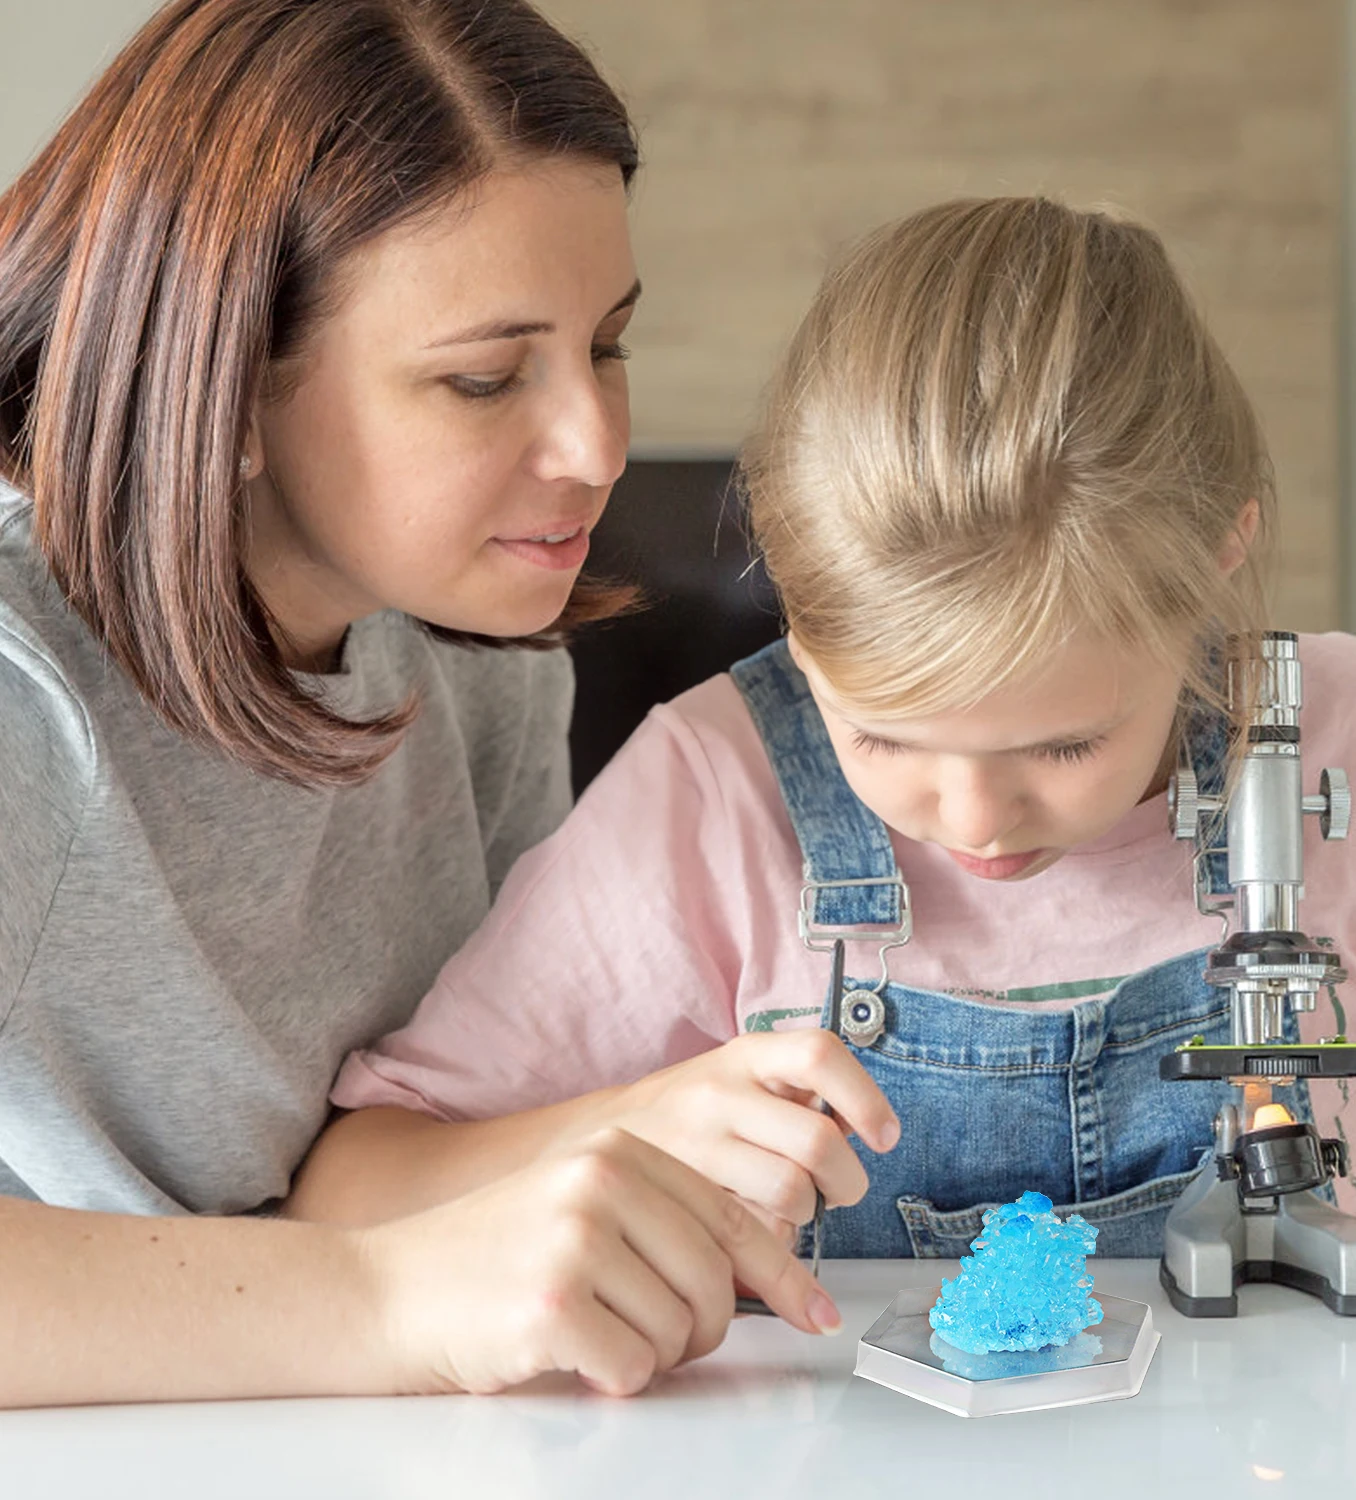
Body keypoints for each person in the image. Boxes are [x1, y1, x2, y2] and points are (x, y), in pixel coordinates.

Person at [296, 197, 1356, 1260]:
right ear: (791, 596)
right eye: (882, 737)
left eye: (1063, 744)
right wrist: (622, 1131)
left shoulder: (1350, 728)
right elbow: (354, 1192)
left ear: (1217, 557)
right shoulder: (713, 790)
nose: (973, 820)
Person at [0, 0, 848, 1409]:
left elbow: (428, 1139)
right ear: (233, 391)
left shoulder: (483, 671)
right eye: (484, 377)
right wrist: (394, 1299)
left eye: (611, 346)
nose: (594, 445)